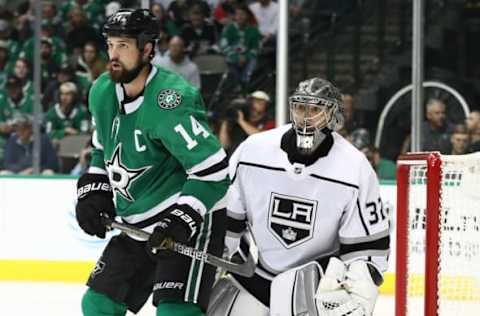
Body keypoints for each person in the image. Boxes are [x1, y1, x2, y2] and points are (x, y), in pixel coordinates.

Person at [75, 9, 229, 316]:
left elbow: (213, 171)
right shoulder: (102, 91)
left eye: (124, 46)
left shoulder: (170, 100)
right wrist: (93, 187)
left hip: (189, 221)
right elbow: (100, 148)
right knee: (97, 304)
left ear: (147, 49)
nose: (113, 54)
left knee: (174, 313)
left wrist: (182, 220)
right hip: (136, 223)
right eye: (110, 45)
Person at [208, 78, 389, 316]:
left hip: (317, 282)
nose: (306, 116)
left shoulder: (354, 167)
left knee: (295, 294)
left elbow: (367, 251)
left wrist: (354, 288)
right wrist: (224, 253)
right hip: (259, 273)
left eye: (316, 109)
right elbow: (227, 221)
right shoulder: (253, 151)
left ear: (332, 115)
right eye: (301, 107)